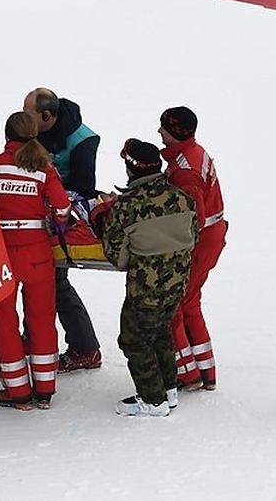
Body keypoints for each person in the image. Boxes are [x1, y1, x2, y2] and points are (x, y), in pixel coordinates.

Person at [92, 139, 197, 416]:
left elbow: (117, 257)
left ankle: (153, 401)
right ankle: (169, 391)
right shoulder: (182, 198)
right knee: (161, 332)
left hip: (145, 290)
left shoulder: (126, 207)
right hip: (177, 285)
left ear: (131, 169)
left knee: (134, 340)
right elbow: (193, 237)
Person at [0, 111, 71, 409]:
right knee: (42, 317)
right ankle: (44, 390)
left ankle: (17, 392)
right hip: (36, 254)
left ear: (6, 135)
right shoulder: (43, 169)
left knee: (4, 321)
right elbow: (61, 208)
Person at [24, 88, 102, 371]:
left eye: (30, 115)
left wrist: (51, 192)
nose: (25, 119)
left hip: (61, 214)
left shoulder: (83, 140)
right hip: (36, 210)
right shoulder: (31, 130)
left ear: (47, 115)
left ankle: (85, 347)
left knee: (55, 283)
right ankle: (33, 340)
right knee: (36, 281)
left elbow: (83, 187)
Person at [158, 107, 227, 391]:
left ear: (174, 132)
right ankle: (205, 371)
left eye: (163, 127)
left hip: (200, 241)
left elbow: (191, 218)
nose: (159, 132)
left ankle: (186, 373)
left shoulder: (185, 170)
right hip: (212, 234)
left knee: (175, 303)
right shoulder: (193, 154)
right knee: (190, 303)